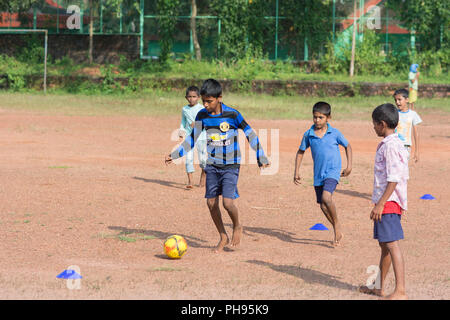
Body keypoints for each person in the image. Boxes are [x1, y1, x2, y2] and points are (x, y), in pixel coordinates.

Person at [166, 79, 270, 252]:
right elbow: (192, 138)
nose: (205, 105)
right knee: (211, 203)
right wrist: (176, 154)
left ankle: (237, 225)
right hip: (212, 164)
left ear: (219, 98)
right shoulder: (202, 116)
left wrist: (261, 156)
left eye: (209, 101)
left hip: (231, 164)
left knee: (228, 203)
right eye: (204, 101)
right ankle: (223, 235)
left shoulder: (232, 115)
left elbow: (250, 133)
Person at [359, 103, 409, 300]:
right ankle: (379, 287)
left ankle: (401, 291)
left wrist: (381, 204)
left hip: (389, 202)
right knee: (385, 244)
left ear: (382, 124)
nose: (373, 128)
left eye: (374, 124)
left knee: (392, 245)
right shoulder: (392, 143)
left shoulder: (391, 146)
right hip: (387, 201)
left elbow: (394, 178)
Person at [293, 102, 352, 247]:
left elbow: (347, 146)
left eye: (321, 117)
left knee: (327, 197)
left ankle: (336, 224)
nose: (317, 120)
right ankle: (336, 228)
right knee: (323, 206)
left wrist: (349, 166)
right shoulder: (309, 134)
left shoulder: (335, 133)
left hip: (332, 171)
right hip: (318, 174)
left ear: (328, 118)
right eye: (315, 117)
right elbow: (300, 151)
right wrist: (296, 171)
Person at [178, 86, 207, 189]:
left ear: (198, 97)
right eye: (189, 96)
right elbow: (183, 122)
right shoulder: (184, 109)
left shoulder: (202, 109)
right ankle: (190, 181)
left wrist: (198, 123)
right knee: (188, 159)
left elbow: (207, 121)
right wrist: (181, 131)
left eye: (194, 96)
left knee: (203, 160)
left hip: (202, 137)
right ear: (186, 97)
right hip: (190, 137)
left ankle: (203, 176)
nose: (192, 99)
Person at [393, 88, 422, 162]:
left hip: (405, 147)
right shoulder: (394, 113)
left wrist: (417, 151)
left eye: (399, 99)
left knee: (402, 169)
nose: (397, 102)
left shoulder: (413, 114)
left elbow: (416, 133)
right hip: (393, 146)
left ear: (407, 100)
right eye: (395, 100)